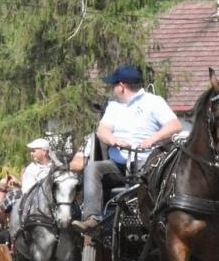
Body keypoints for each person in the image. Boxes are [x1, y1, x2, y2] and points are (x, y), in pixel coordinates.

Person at [72, 65, 181, 232]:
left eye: (114, 85)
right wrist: (114, 140)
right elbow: (102, 131)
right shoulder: (114, 107)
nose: (112, 89)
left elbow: (175, 125)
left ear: (121, 86)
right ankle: (92, 218)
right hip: (121, 167)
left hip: (152, 166)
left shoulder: (154, 102)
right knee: (93, 168)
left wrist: (152, 139)